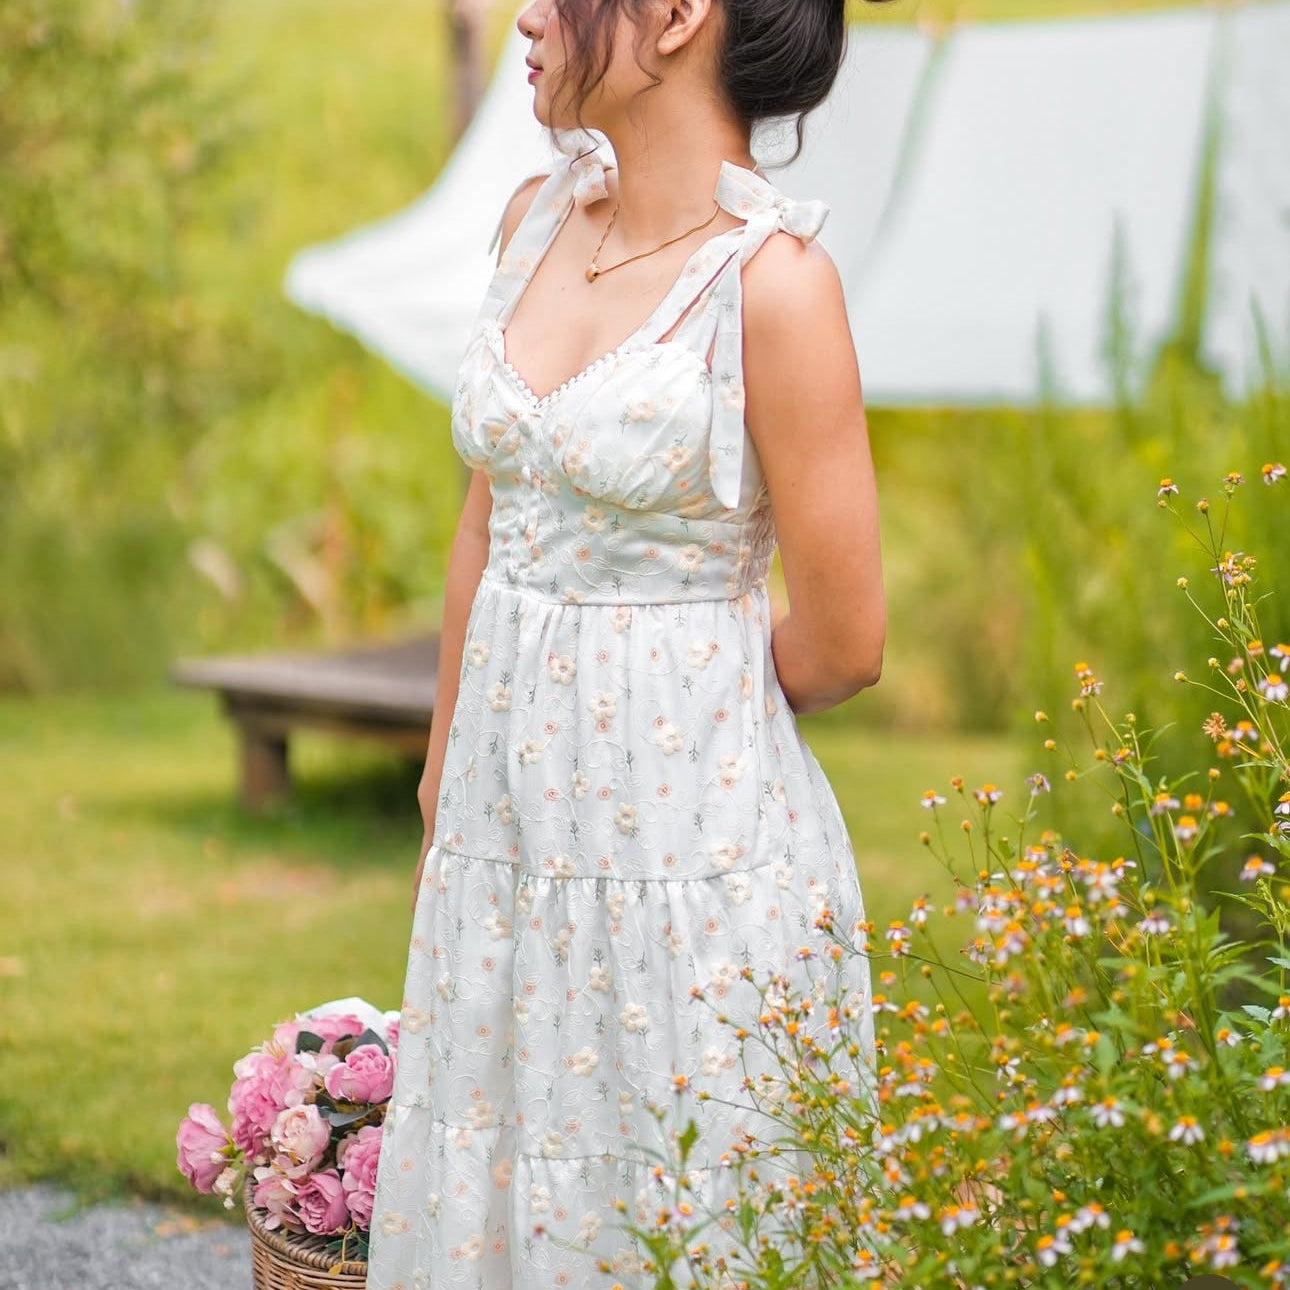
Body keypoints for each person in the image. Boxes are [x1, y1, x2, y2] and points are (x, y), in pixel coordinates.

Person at [366, 0, 887, 1285]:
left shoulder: (776, 286)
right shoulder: (529, 225)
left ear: (674, 16)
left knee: (668, 1194)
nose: (527, 17)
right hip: (500, 839)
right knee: (500, 1176)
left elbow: (844, 639)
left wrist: (667, 698)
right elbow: (483, 524)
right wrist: (444, 774)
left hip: (690, 864)